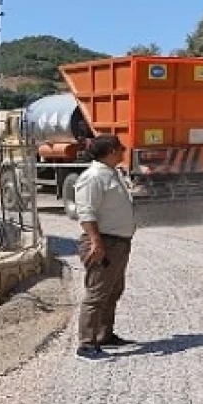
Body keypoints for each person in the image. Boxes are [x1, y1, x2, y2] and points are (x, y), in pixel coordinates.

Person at [73, 135, 138, 361]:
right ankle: (86, 345)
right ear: (111, 151)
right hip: (104, 242)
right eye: (120, 148)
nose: (123, 151)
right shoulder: (93, 178)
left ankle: (104, 335)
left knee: (113, 291)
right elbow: (86, 212)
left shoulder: (111, 173)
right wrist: (96, 242)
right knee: (97, 294)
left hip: (117, 242)